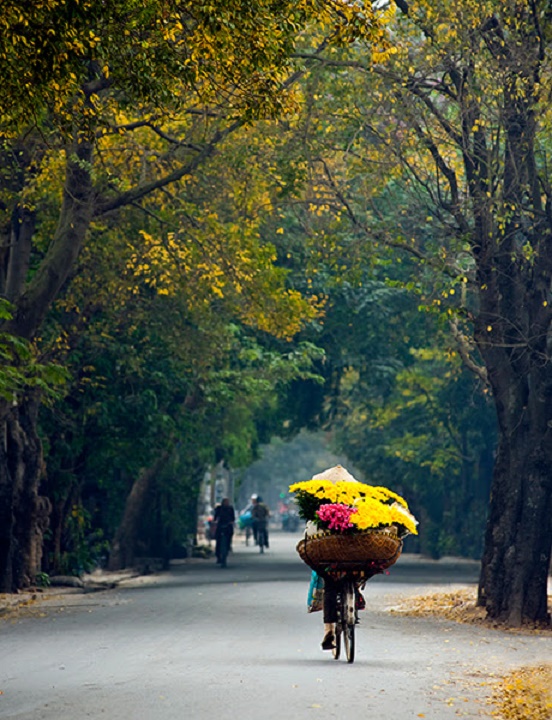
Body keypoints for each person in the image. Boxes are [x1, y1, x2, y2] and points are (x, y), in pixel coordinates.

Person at [213, 497, 235, 565]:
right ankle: (218, 556)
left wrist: (231, 522)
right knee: (218, 540)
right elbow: (215, 517)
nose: (226, 503)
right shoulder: (219, 508)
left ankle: (228, 547)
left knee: (229, 536)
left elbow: (233, 518)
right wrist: (215, 521)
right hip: (220, 525)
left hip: (228, 526)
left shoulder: (230, 509)